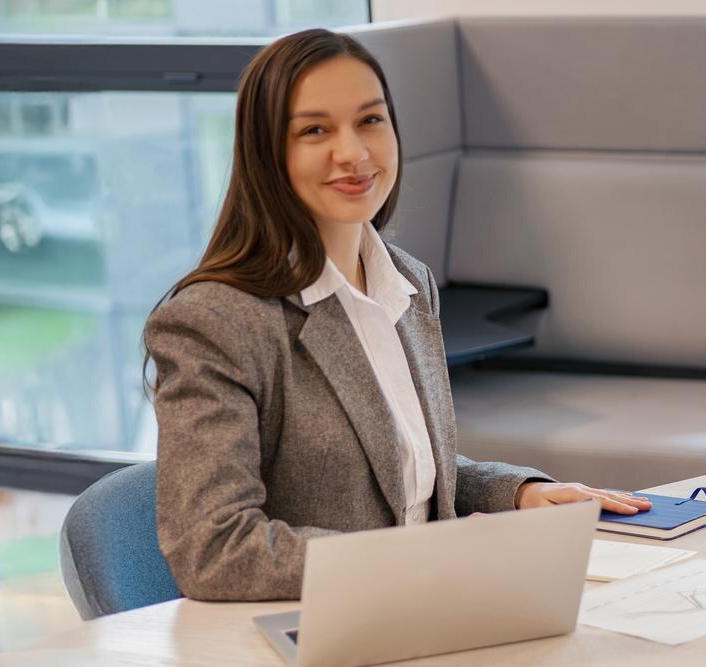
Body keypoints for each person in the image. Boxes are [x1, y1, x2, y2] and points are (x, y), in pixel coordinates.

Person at [143, 29, 650, 601]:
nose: (353, 153)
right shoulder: (217, 322)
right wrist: (420, 559)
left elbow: (403, 472)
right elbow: (213, 549)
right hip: (316, 625)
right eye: (315, 130)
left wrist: (518, 494)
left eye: (370, 121)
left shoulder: (408, 283)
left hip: (424, 605)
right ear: (266, 153)